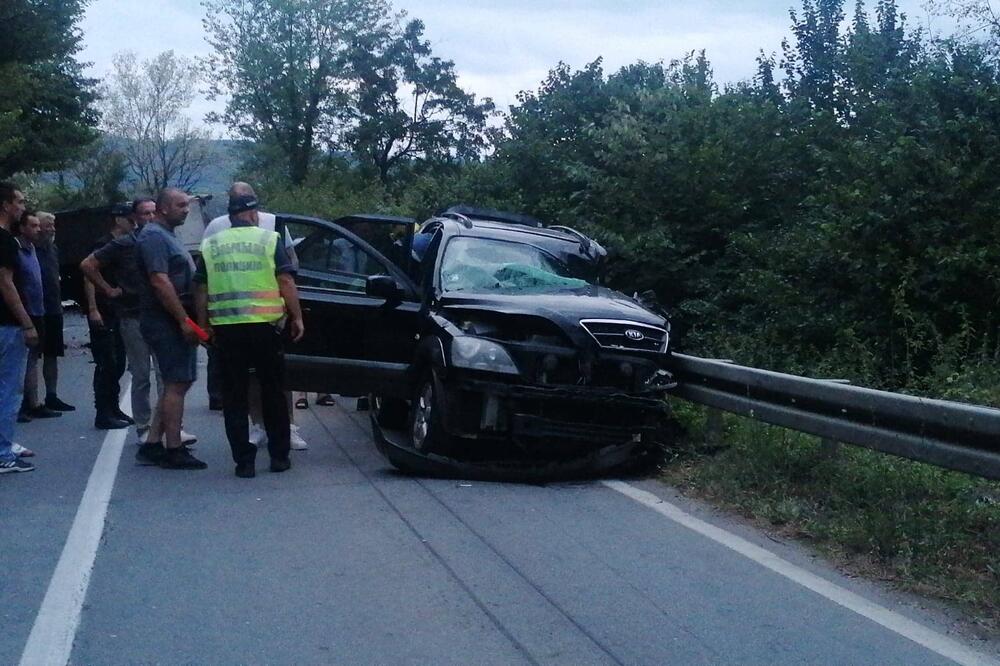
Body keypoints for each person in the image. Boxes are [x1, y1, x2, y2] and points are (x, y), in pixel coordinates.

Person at [195, 193, 304, 477]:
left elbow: (202, 289)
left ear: (231, 217)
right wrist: (297, 316)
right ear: (254, 215)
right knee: (273, 392)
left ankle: (244, 462)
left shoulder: (211, 245)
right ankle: (279, 457)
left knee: (234, 397)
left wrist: (203, 325)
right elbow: (285, 280)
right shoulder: (269, 240)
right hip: (266, 328)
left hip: (227, 331)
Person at [133, 188, 206, 470]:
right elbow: (159, 282)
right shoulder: (153, 236)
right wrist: (183, 321)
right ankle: (174, 449)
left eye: (187, 205)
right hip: (165, 322)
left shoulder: (165, 235)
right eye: (180, 205)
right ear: (163, 208)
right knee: (176, 383)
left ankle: (152, 444)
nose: (186, 210)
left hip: (170, 320)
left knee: (178, 382)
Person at [82, 206, 132, 430]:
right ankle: (103, 412)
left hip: (117, 310)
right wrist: (93, 308)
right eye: (128, 217)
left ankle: (113, 407)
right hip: (103, 310)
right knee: (107, 362)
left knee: (118, 362)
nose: (133, 221)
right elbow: (88, 276)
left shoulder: (124, 243)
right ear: (117, 219)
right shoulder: (103, 244)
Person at [0, 182, 36, 473]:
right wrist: (26, 322)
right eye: (19, 202)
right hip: (7, 324)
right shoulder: (5, 241)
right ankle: (3, 452)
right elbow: (6, 283)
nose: (23, 207)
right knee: (9, 389)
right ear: (6, 205)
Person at [13, 211, 61, 422]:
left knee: (42, 355)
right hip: (28, 311)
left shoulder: (41, 249)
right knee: (25, 359)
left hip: (46, 309)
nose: (43, 229)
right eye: (37, 226)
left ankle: (41, 400)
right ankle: (22, 405)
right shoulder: (16, 250)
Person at [34, 212, 74, 413]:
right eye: (48, 225)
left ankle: (52, 395)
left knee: (52, 354)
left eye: (53, 225)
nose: (52, 229)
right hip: (35, 310)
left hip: (53, 308)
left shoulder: (53, 248)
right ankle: (29, 401)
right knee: (31, 356)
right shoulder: (29, 249)